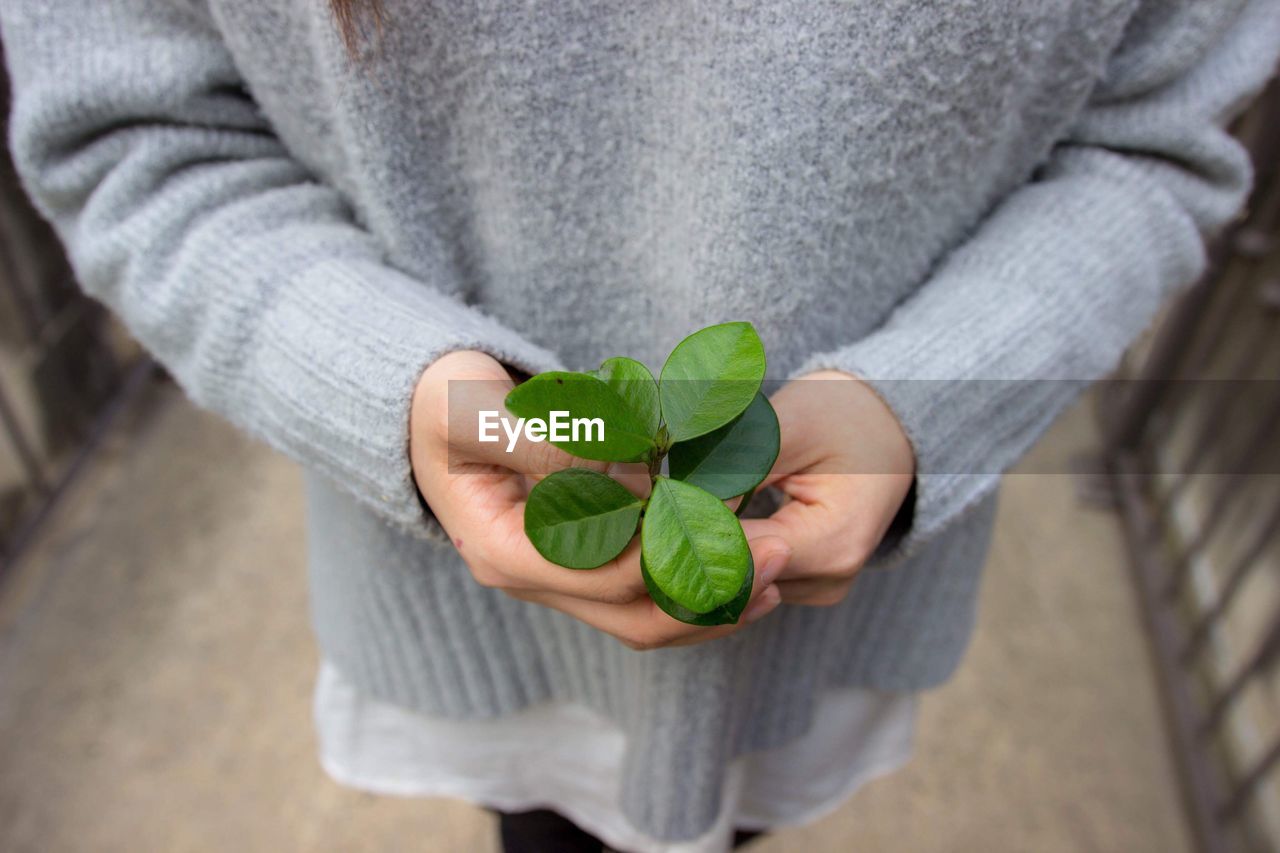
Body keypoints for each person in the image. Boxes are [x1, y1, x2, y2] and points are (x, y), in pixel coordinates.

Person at [1, 1, 1276, 850]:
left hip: (827, 610)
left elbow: (1151, 142)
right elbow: (139, 140)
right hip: (471, 605)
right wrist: (393, 390)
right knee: (535, 822)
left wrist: (931, 400)